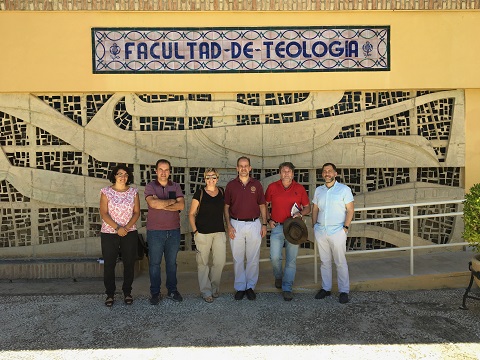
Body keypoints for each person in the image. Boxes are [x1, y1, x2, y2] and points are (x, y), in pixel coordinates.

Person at [265, 162, 311, 301]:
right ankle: (278, 276)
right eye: (283, 171)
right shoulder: (272, 187)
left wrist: (301, 214)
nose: (286, 173)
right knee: (274, 257)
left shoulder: (299, 188)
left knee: (291, 260)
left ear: (293, 173)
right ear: (280, 173)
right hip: (277, 227)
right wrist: (268, 220)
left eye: (289, 171)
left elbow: (308, 207)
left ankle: (287, 287)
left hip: (294, 229)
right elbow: (264, 205)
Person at [224, 156, 267, 301]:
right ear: (237, 168)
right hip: (236, 224)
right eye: (240, 166)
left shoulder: (257, 185)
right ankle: (240, 287)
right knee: (237, 257)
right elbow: (226, 207)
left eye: (246, 166)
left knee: (253, 258)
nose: (243, 168)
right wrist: (229, 225)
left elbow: (262, 205)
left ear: (250, 168)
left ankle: (250, 287)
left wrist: (264, 224)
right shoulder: (231, 185)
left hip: (254, 224)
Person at [311, 163, 354, 304]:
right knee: (325, 261)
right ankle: (326, 288)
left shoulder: (344, 189)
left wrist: (345, 228)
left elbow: (350, 210)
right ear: (322, 174)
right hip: (321, 230)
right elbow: (315, 209)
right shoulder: (319, 190)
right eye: (325, 171)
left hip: (337, 231)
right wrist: (314, 226)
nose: (327, 173)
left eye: (330, 171)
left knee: (340, 262)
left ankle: (344, 291)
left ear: (335, 173)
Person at [145, 159, 185, 305]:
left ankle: (172, 290)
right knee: (155, 264)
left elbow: (182, 205)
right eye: (160, 169)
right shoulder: (150, 186)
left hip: (173, 231)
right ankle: (155, 293)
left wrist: (162, 203)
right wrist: (171, 202)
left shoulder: (175, 186)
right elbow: (152, 203)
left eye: (166, 170)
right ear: (156, 171)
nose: (163, 172)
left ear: (170, 171)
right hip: (155, 232)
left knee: (171, 263)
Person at [99, 164, 140, 307]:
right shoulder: (106, 192)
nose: (123, 177)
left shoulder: (133, 192)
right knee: (109, 264)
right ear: (114, 176)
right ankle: (110, 294)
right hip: (110, 233)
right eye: (120, 174)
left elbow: (136, 212)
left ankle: (127, 292)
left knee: (129, 263)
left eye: (125, 174)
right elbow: (104, 213)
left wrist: (126, 228)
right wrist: (117, 228)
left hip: (129, 232)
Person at [188, 168, 227, 303]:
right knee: (203, 263)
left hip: (219, 232)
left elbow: (225, 211)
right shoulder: (199, 193)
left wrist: (228, 226)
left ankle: (215, 288)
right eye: (208, 177)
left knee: (219, 262)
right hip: (202, 233)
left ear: (217, 178)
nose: (211, 180)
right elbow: (191, 214)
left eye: (213, 177)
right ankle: (206, 291)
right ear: (204, 179)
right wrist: (195, 232)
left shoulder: (222, 192)